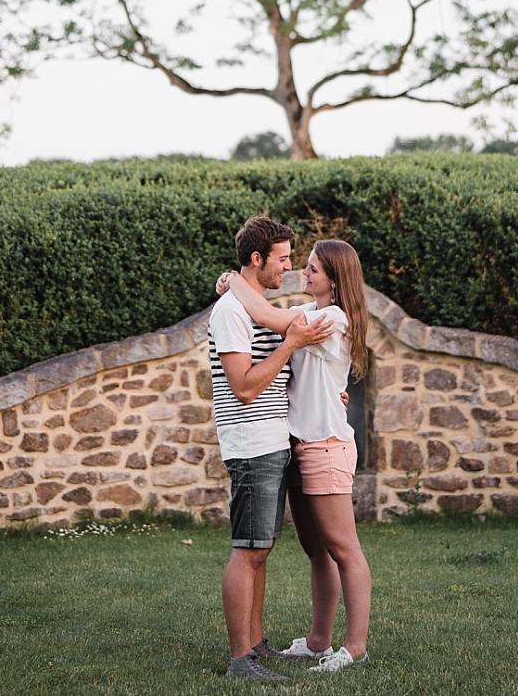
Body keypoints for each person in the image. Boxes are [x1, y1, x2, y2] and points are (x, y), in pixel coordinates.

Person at [221, 239, 374, 673]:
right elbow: (272, 321)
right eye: (302, 266)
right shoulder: (311, 314)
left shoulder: (332, 318)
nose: (302, 274)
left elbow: (268, 316)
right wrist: (235, 287)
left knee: (344, 549)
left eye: (312, 270)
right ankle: (318, 641)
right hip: (300, 445)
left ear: (334, 279)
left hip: (325, 445)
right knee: (317, 551)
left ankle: (355, 647)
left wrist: (234, 280)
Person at [210, 216, 334, 684]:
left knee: (262, 549)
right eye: (283, 259)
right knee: (249, 550)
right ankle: (242, 660)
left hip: (272, 440)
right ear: (257, 259)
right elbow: (243, 386)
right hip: (251, 445)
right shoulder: (230, 312)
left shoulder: (253, 303)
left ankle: (256, 645)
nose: (289, 268)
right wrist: (291, 345)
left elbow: (287, 374)